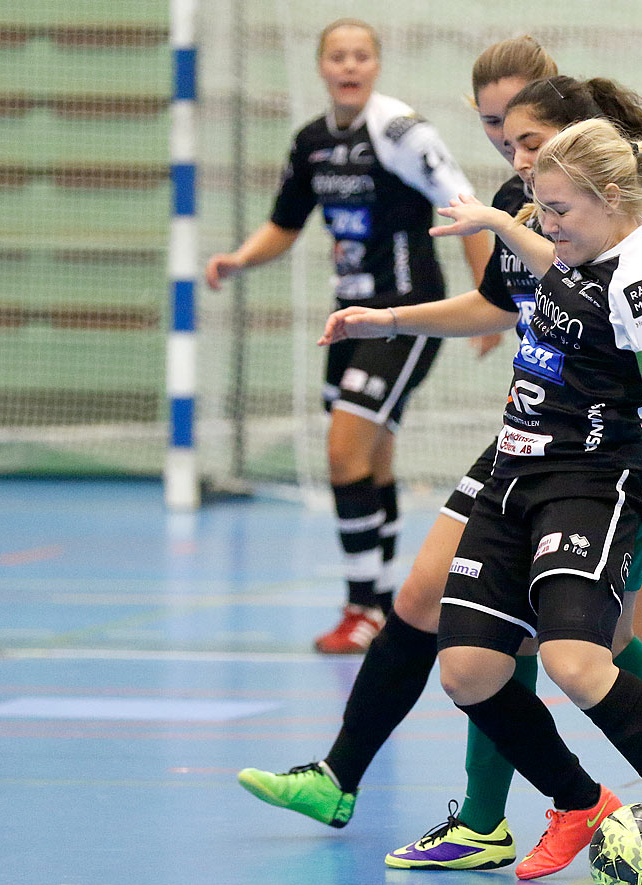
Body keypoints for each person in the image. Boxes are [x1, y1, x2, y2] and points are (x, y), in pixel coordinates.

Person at [237, 46, 642, 874]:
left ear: (580, 149)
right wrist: (403, 306)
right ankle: (420, 790)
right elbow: (514, 287)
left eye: (526, 136)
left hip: (611, 461)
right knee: (463, 629)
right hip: (528, 448)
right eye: (495, 131)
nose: (512, 156)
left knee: (628, 651)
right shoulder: (544, 215)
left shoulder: (634, 232)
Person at [359, 118, 642, 885]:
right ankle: (578, 802)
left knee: (574, 661)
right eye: (539, 205)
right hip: (512, 475)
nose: (548, 223)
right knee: (467, 669)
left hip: (589, 483)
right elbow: (557, 271)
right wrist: (504, 222)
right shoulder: (579, 247)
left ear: (610, 200)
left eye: (557, 208)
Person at [203, 18, 493, 653]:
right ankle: (386, 607)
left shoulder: (399, 132)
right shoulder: (310, 142)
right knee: (370, 460)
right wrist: (238, 259)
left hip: (408, 314)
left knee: (342, 455)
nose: (350, 66)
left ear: (377, 65)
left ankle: (362, 608)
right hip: (350, 319)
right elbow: (285, 223)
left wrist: (486, 301)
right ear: (321, 66)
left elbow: (465, 206)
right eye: (338, 55)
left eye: (362, 55)